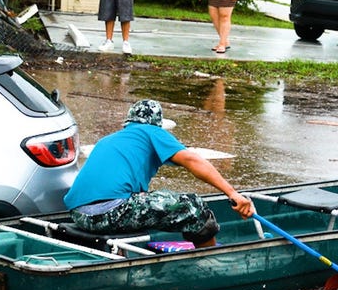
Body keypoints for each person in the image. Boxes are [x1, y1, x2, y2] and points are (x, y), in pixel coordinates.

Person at [63, 100, 255, 248]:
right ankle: (209, 258)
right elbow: (192, 160)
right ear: (157, 124)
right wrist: (232, 193)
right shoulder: (150, 131)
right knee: (192, 206)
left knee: (151, 199)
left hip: (80, 216)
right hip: (110, 213)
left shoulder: (110, 140)